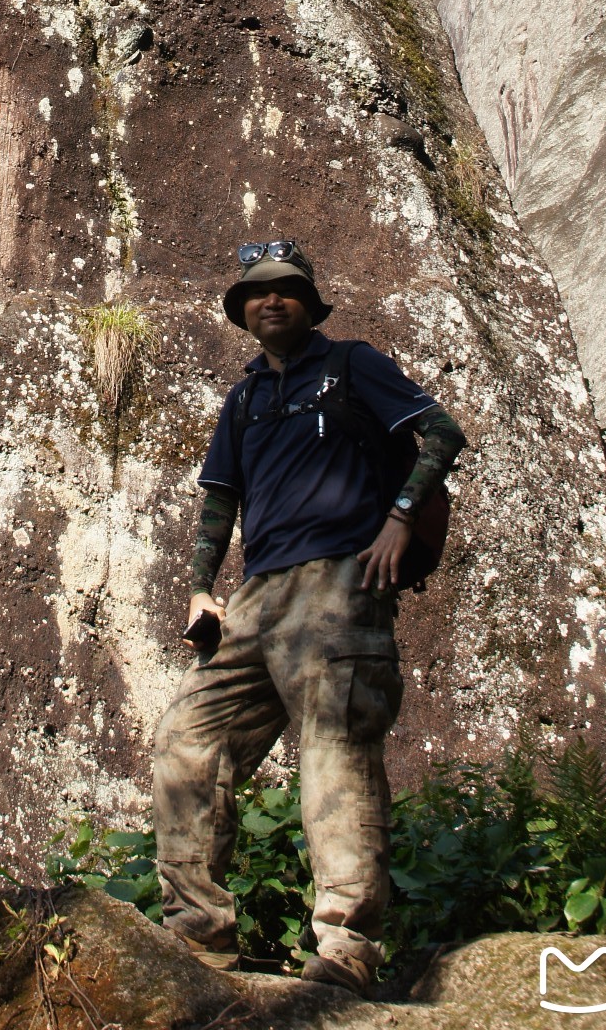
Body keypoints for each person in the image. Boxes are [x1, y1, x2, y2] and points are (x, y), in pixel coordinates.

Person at [152, 238, 468, 992]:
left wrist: (398, 516)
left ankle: (344, 952)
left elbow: (442, 432)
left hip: (339, 582)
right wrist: (201, 585)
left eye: (286, 289)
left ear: (308, 300)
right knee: (186, 741)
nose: (271, 300)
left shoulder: (353, 363)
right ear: (241, 310)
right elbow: (218, 501)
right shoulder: (244, 398)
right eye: (256, 292)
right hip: (256, 596)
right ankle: (199, 940)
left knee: (334, 755)